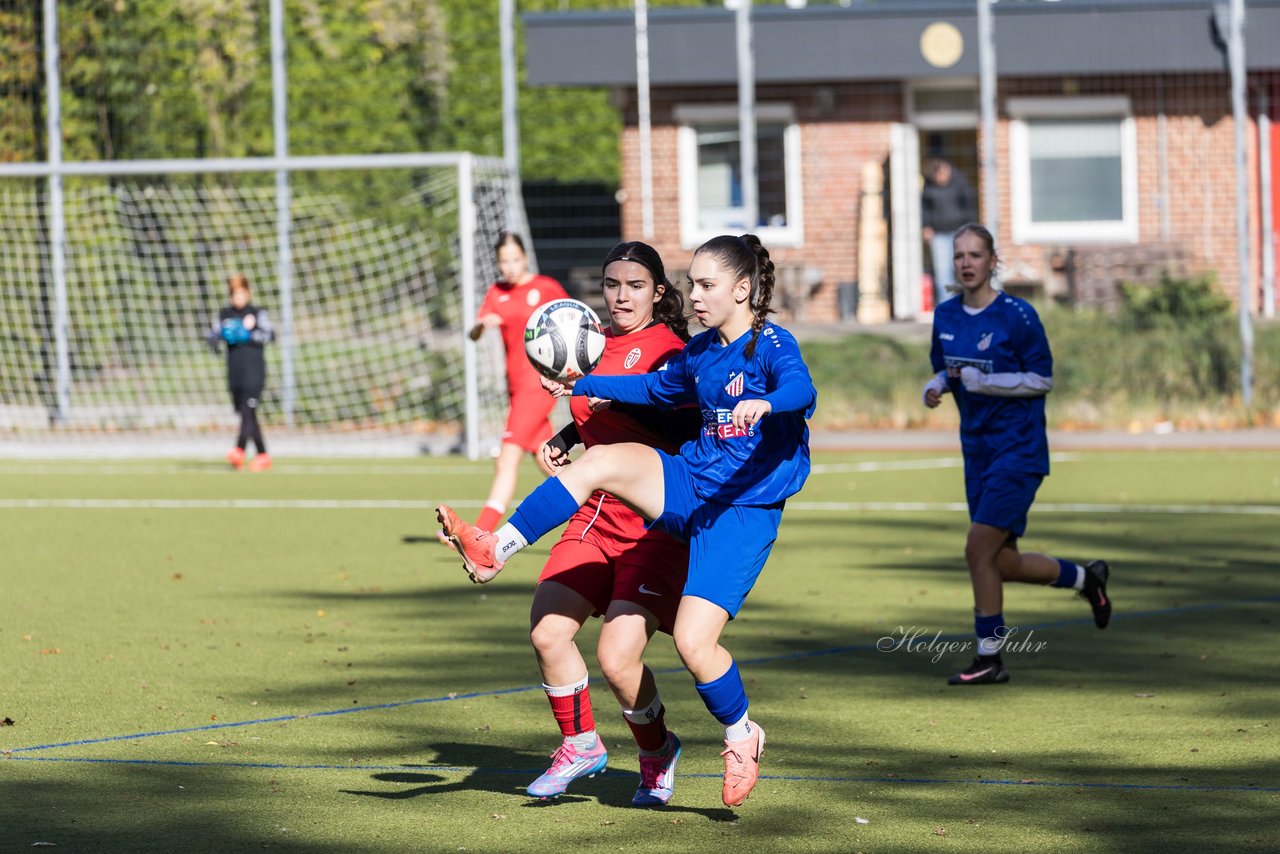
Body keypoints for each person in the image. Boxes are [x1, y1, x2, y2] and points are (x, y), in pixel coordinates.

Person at [437, 234, 817, 808]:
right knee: (602, 462)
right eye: (692, 284)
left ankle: (742, 733)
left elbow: (801, 387)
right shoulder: (700, 353)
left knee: (693, 642)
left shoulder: (770, 343)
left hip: (743, 510)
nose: (695, 295)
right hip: (692, 484)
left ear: (743, 291)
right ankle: (495, 547)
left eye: (707, 285)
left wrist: (768, 403)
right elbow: (649, 389)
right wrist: (580, 387)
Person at [524, 241, 700, 806]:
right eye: (611, 284)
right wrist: (568, 435)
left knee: (617, 658)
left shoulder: (671, 352)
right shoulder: (590, 344)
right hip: (596, 513)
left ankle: (656, 751)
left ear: (658, 293)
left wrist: (611, 404)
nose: (620, 295)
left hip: (653, 525)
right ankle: (580, 744)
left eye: (634, 286)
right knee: (548, 632)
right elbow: (595, 415)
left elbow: (684, 432)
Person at [922, 223, 1111, 686]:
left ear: (993, 262)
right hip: (977, 452)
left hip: (1019, 451)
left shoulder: (1018, 315)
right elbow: (948, 370)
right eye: (959, 256)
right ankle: (1087, 579)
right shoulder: (946, 315)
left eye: (975, 255)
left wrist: (987, 383)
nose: (967, 263)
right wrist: (936, 384)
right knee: (1001, 561)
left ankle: (990, 658)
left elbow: (1041, 378)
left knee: (976, 549)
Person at [446, 233, 568, 540]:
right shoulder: (497, 292)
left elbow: (571, 321)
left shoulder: (546, 288)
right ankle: (602, 505)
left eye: (515, 259)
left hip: (537, 384)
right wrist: (481, 324)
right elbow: (474, 334)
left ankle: (479, 532)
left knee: (507, 458)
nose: (510, 266)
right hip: (515, 386)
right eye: (504, 261)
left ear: (525, 257)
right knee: (547, 457)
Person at [206, 273, 275, 471]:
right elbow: (212, 335)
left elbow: (271, 335)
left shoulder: (257, 313)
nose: (238, 298)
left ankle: (239, 449)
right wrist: (217, 339)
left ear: (248, 294)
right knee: (247, 414)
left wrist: (249, 333)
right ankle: (262, 454)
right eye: (235, 294)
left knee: (248, 410)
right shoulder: (224, 315)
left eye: (241, 294)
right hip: (235, 372)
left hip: (254, 371)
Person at [921, 158, 976, 307]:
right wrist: (926, 226)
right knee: (942, 272)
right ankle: (947, 306)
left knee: (961, 269)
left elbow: (970, 206)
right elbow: (924, 209)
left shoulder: (960, 182)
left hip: (959, 233)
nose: (940, 180)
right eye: (937, 178)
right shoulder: (929, 187)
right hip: (939, 234)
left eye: (942, 175)